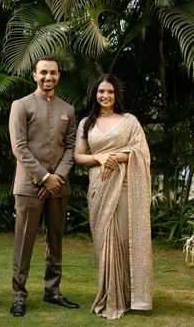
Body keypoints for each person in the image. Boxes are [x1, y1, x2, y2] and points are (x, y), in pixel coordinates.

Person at [74, 74, 153, 320]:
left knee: (124, 236)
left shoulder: (130, 121)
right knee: (104, 240)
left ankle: (129, 296)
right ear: (95, 95)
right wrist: (99, 157)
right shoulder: (86, 123)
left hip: (125, 184)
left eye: (109, 91)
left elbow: (141, 151)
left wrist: (116, 157)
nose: (105, 96)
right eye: (100, 92)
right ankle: (110, 294)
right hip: (100, 184)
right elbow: (78, 156)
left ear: (116, 94)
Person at [9, 55, 79, 317]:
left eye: (53, 73)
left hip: (59, 187)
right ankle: (18, 296)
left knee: (55, 240)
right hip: (29, 186)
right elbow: (19, 147)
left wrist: (56, 177)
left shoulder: (68, 110)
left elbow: (71, 148)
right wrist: (43, 177)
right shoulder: (21, 105)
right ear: (34, 75)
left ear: (59, 75)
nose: (48, 77)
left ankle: (53, 291)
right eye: (43, 73)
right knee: (24, 240)